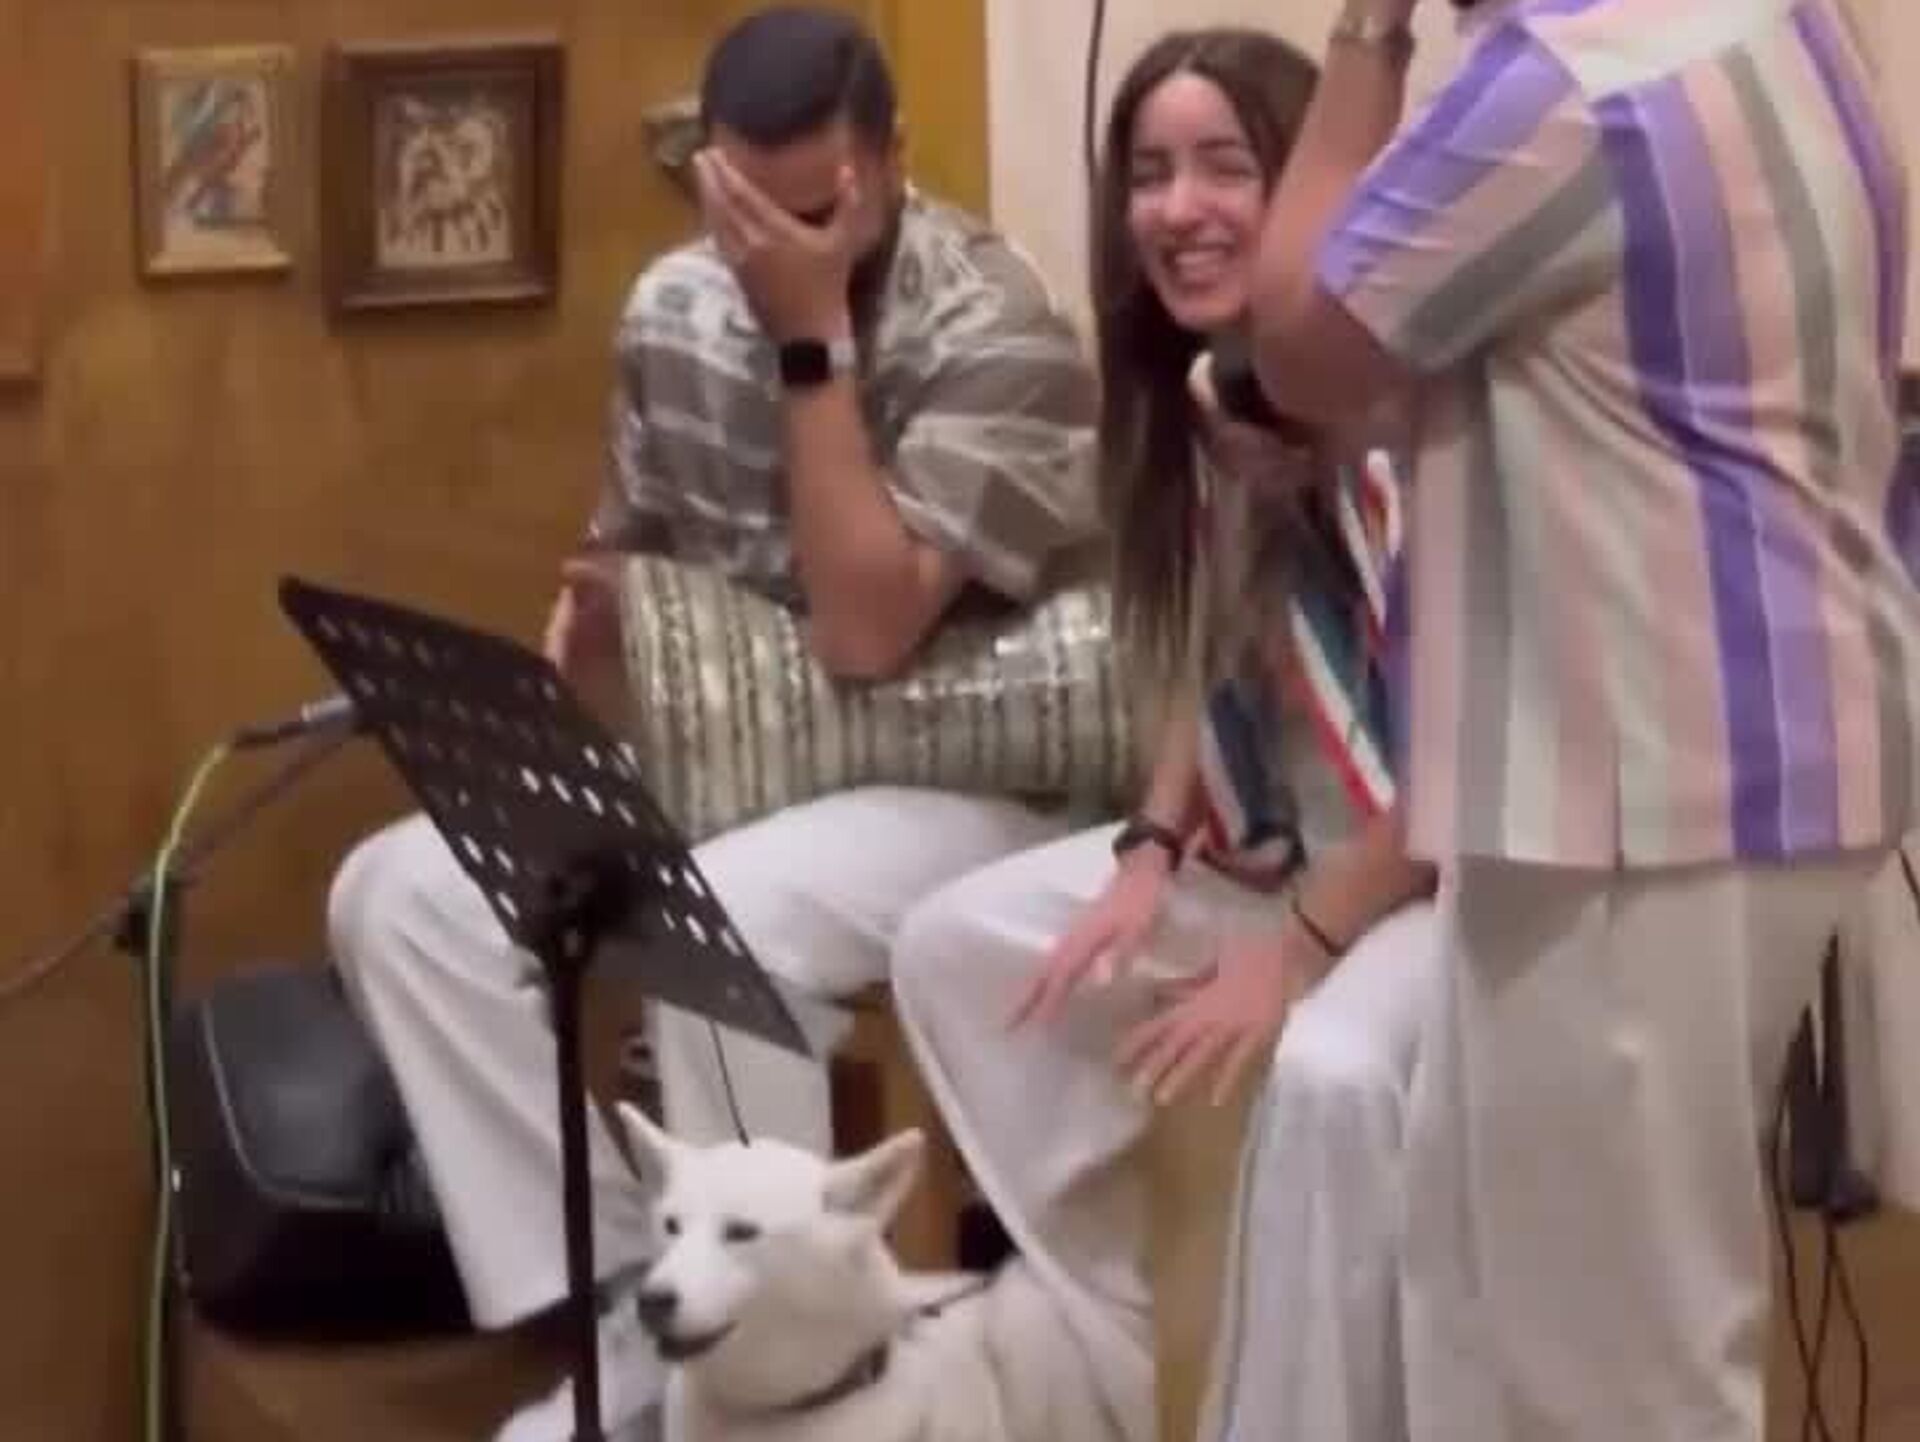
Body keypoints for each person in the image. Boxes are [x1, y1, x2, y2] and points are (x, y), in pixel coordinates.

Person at [326, 8, 1101, 1439]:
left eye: (809, 212)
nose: (762, 245)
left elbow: (867, 630)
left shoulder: (999, 325)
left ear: (890, 161)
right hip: (738, 752)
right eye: (738, 206)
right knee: (402, 898)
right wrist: (595, 643)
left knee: (711, 921)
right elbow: (634, 567)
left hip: (965, 767)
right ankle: (644, 1314)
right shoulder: (674, 308)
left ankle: (774, 1380)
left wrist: (812, 343)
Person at [1243, 1, 1920, 1440]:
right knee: (1489, 1314)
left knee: (1606, 1373)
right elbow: (1593, 372)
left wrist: (1366, 30)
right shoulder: (1778, 23)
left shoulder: (1563, 82)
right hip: (1724, 755)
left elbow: (1298, 342)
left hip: (1641, 779)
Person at [890, 30, 1438, 1442]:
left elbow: (1463, 762)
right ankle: (1121, 1352)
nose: (1177, 208)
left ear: (1305, 187)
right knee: (957, 949)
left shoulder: (1404, 413)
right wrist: (1147, 844)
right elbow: (1197, 647)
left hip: (1431, 870)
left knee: (1326, 1071)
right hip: (1274, 854)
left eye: (1222, 167)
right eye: (1148, 174)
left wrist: (1297, 952)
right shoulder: (1194, 395)